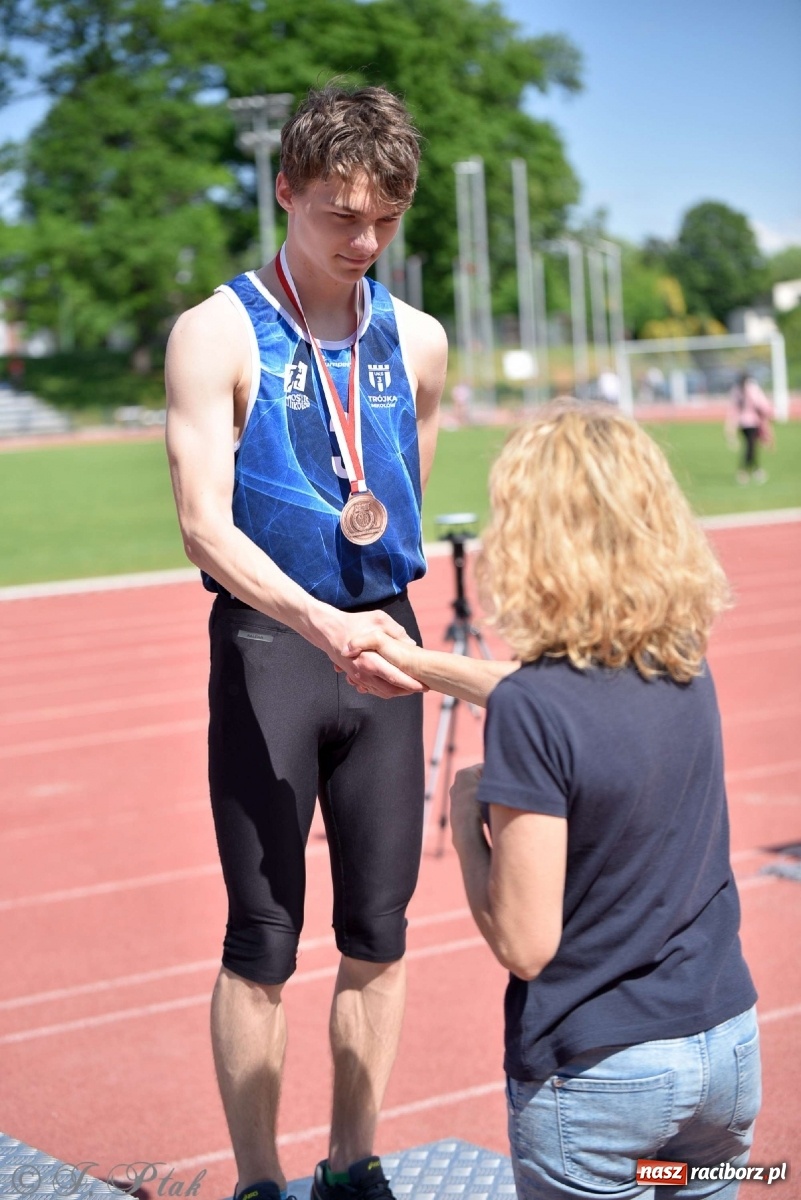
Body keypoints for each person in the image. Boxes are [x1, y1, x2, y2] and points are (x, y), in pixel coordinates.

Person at [347, 402, 761, 1199]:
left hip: (603, 1081)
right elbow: (564, 698)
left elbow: (525, 945)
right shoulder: (681, 656)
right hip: (724, 1051)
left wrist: (467, 825)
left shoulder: (534, 712)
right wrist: (423, 666)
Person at [164, 83, 447, 1200]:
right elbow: (203, 524)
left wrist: (377, 625)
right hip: (273, 652)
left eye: (386, 218)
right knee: (263, 939)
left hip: (387, 648)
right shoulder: (218, 330)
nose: (365, 240)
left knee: (380, 930)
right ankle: (257, 1182)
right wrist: (316, 619)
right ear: (285, 189)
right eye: (340, 214)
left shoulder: (418, 340)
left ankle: (352, 1164)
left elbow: (400, 492)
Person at [726, 372, 773, 484]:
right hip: (750, 422)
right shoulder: (750, 389)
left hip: (747, 423)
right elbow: (760, 404)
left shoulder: (739, 390)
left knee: (751, 446)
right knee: (750, 446)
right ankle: (745, 470)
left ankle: (755, 470)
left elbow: (735, 408)